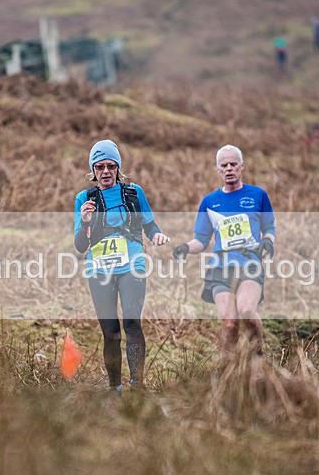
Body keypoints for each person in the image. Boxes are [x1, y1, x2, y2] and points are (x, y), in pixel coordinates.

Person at [73, 139, 170, 390]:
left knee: (132, 322)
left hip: (132, 265)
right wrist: (85, 222)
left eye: (111, 166)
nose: (105, 172)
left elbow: (150, 225)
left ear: (118, 167)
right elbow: (80, 246)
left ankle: (137, 385)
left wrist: (157, 235)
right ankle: (114, 387)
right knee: (110, 331)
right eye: (99, 167)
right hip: (99, 270)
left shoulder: (134, 193)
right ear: (93, 170)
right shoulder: (84, 199)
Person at [172, 145, 276, 356]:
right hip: (220, 268)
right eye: (224, 165)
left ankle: (258, 356)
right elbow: (201, 240)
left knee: (246, 311)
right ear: (218, 169)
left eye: (233, 164)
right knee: (229, 325)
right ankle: (229, 369)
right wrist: (185, 247)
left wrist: (268, 241)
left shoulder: (258, 195)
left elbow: (269, 228)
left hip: (250, 264)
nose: (229, 168)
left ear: (242, 166)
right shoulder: (210, 202)